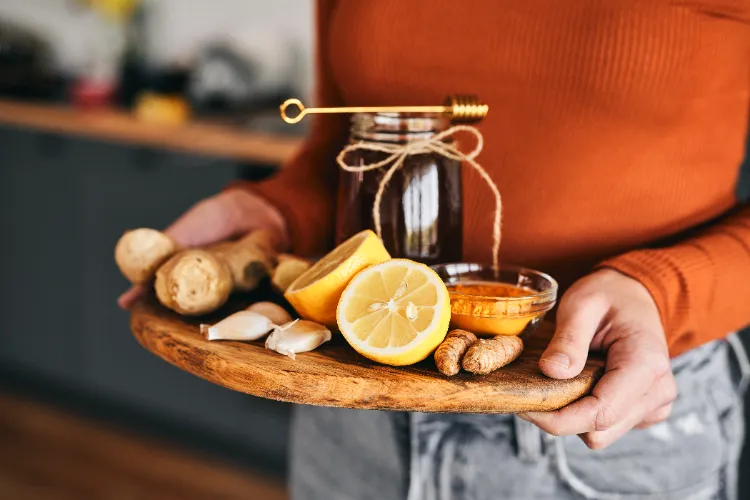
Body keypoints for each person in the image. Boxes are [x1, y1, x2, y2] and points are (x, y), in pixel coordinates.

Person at [120, 1, 750, 498]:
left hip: (605, 414)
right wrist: (269, 214)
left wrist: (665, 288)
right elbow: (344, 153)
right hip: (356, 398)